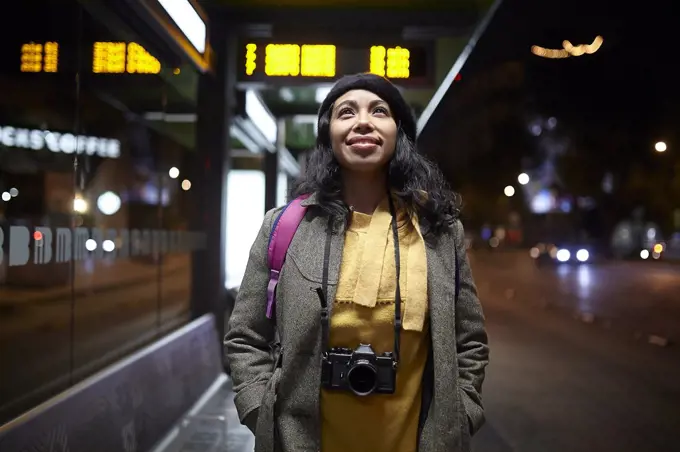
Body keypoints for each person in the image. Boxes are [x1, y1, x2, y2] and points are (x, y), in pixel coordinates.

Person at [224, 73, 489, 452]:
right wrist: (263, 413)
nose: (363, 121)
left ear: (399, 132)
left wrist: (459, 417)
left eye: (379, 111)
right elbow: (245, 336)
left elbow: (471, 341)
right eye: (346, 112)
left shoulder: (438, 232)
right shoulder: (285, 227)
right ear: (328, 133)